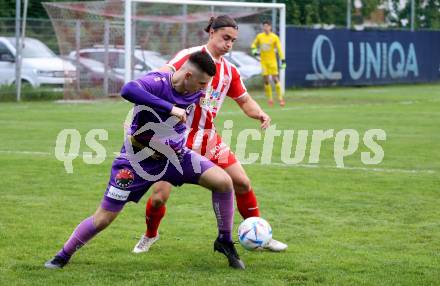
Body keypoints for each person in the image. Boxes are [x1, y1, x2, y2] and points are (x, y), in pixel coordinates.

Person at [44, 51, 245, 270]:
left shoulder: (196, 91)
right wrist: (170, 108)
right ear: (187, 76)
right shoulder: (157, 82)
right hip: (136, 161)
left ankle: (224, 241)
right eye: (202, 83)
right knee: (104, 218)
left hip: (175, 158)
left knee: (224, 182)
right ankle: (62, 256)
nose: (204, 89)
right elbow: (128, 90)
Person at [133, 15, 288, 254]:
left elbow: (244, 100)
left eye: (233, 40)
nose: (229, 44)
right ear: (211, 33)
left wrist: (259, 114)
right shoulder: (189, 56)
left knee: (243, 183)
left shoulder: (230, 71)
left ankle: (261, 234)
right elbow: (161, 77)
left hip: (208, 138)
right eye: (225, 37)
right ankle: (150, 235)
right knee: (158, 198)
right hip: (175, 140)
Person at [251, 21, 286, 107]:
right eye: (264, 26)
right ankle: (270, 99)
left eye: (267, 26)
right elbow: (253, 45)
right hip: (263, 62)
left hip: (272, 61)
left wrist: (283, 60)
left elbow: (279, 49)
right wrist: (255, 52)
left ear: (270, 27)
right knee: (266, 80)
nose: (265, 28)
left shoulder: (274, 37)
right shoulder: (260, 36)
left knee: (275, 79)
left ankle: (280, 98)